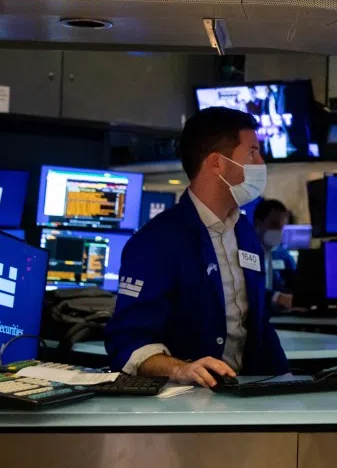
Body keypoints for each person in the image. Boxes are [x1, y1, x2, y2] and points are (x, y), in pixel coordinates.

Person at [106, 107, 288, 388]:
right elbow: (127, 343)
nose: (261, 162)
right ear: (218, 163)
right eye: (252, 153)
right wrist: (181, 369)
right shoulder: (156, 242)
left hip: (244, 397)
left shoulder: (245, 233)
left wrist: (287, 382)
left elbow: (257, 327)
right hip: (181, 405)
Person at [252, 198, 297, 310]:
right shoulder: (242, 253)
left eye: (282, 227)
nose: (279, 231)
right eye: (274, 225)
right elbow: (245, 289)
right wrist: (276, 297)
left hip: (278, 318)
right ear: (258, 223)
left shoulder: (282, 254)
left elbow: (296, 283)